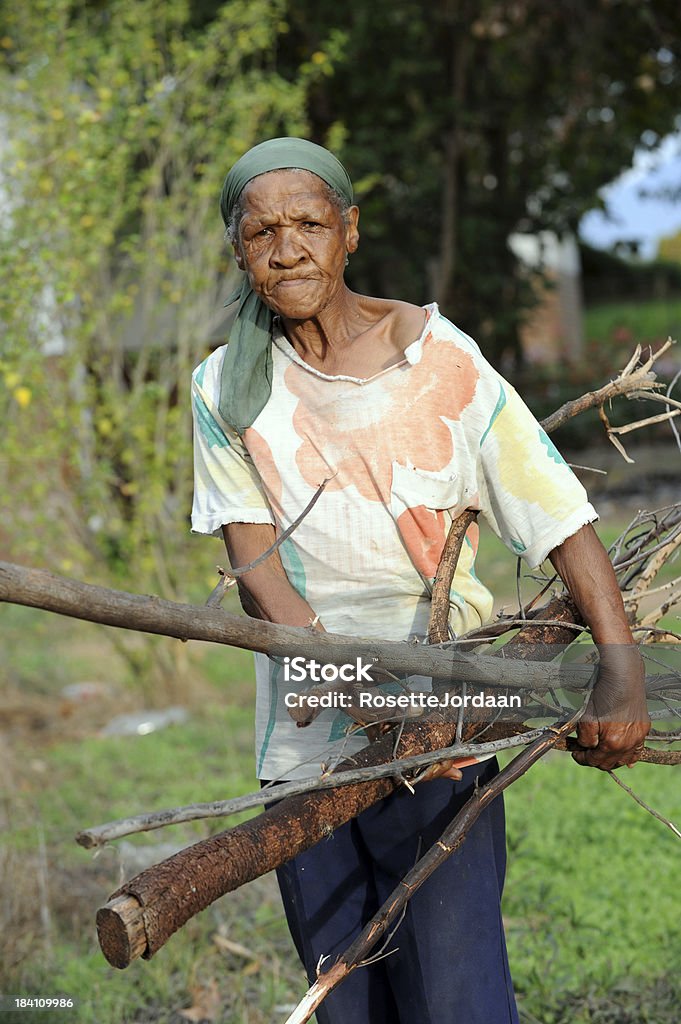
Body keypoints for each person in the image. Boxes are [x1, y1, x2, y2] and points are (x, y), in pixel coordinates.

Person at [191, 138, 650, 1024]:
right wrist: (338, 680)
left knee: (456, 995)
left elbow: (554, 512)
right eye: (262, 233)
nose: (287, 249)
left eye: (309, 225)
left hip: (444, 736)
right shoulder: (224, 388)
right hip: (304, 749)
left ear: (349, 231)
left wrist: (619, 665)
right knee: (345, 998)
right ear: (238, 249)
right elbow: (255, 569)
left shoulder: (440, 361)